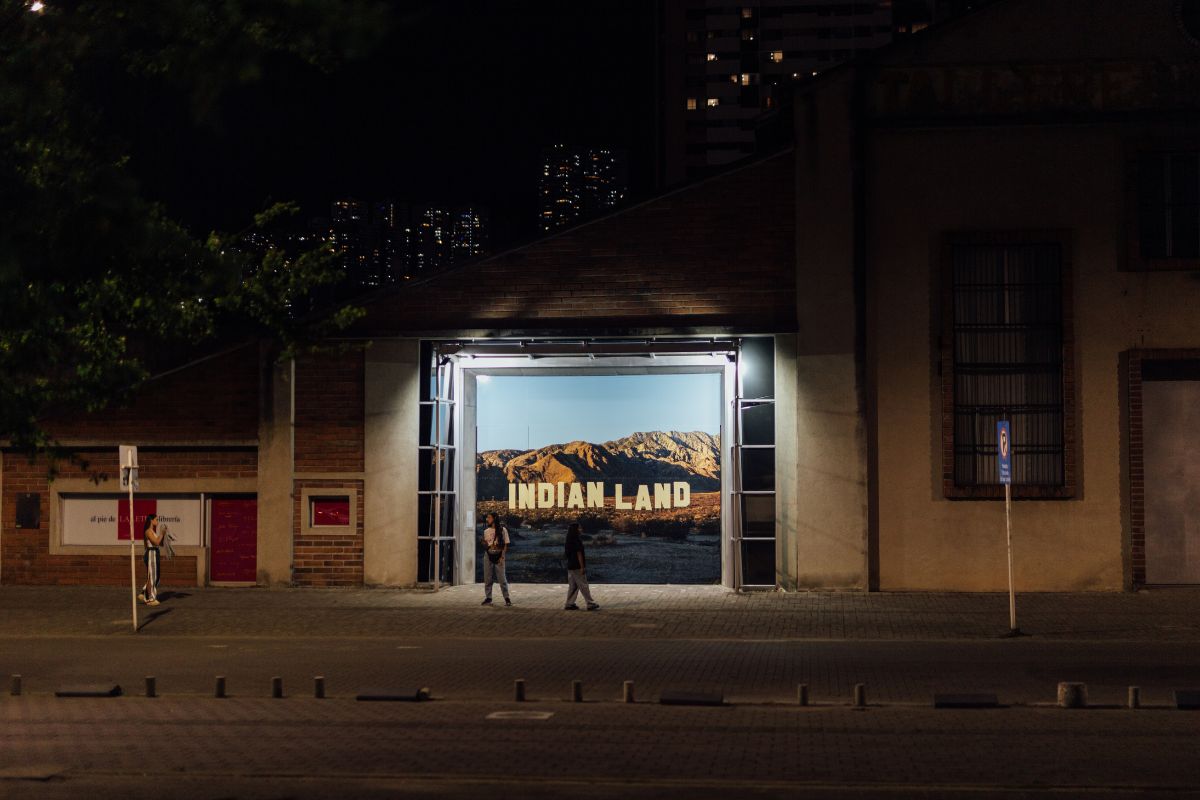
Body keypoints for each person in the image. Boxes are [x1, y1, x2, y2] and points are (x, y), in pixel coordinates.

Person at [563, 522, 599, 611]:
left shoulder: (569, 540)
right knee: (583, 585)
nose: (581, 530)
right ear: (576, 530)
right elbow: (579, 554)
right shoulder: (576, 540)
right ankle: (590, 603)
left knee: (573, 586)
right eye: (579, 528)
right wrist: (582, 567)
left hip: (570, 565)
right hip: (577, 566)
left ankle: (569, 603)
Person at [481, 512, 512, 606]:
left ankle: (507, 598)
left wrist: (502, 557)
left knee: (502, 579)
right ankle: (488, 598)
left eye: (489, 517)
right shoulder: (486, 531)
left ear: (494, 518)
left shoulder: (503, 530)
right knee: (488, 578)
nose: (487, 519)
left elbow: (505, 545)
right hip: (488, 556)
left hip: (499, 556)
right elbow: (486, 545)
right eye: (487, 517)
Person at [138, 513, 163, 607]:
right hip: (151, 553)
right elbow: (156, 542)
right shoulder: (148, 531)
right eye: (156, 519)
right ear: (151, 520)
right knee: (152, 577)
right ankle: (150, 599)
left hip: (155, 553)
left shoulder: (152, 531)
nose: (157, 521)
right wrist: (162, 534)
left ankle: (143, 592)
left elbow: (159, 543)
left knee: (156, 576)